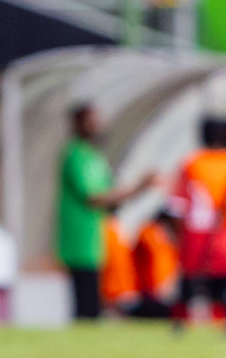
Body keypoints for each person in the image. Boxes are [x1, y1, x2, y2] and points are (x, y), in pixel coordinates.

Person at [56, 104, 160, 321]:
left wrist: (138, 190)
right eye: (92, 120)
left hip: (97, 241)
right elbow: (94, 197)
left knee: (94, 304)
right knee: (85, 306)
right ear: (79, 124)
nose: (98, 125)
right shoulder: (75, 154)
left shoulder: (96, 157)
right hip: (79, 239)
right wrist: (138, 187)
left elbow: (111, 200)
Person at [168, 115, 226, 326]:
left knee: (189, 281)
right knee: (219, 281)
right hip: (221, 235)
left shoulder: (191, 163)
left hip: (194, 233)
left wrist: (177, 236)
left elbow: (177, 205)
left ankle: (180, 324)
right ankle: (219, 323)